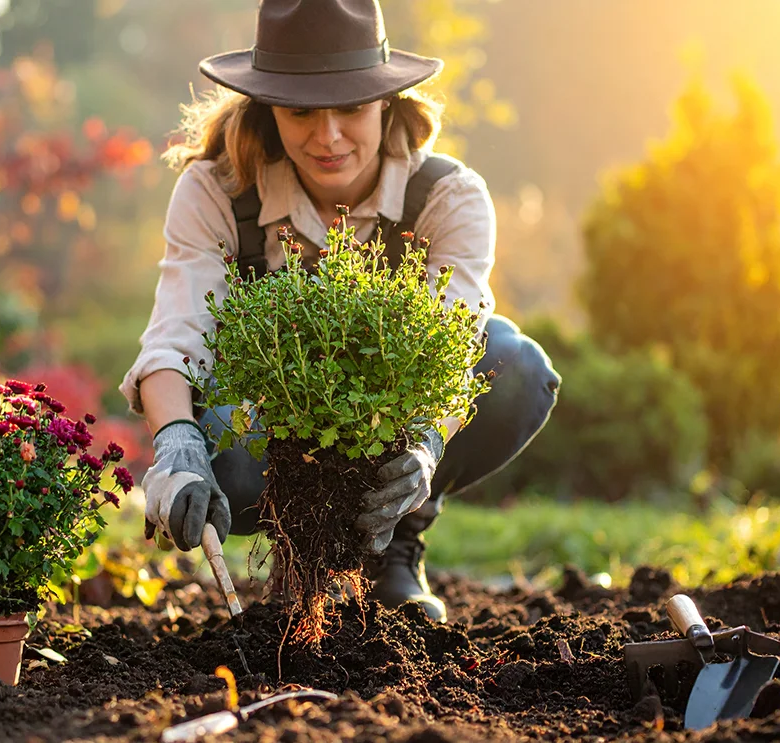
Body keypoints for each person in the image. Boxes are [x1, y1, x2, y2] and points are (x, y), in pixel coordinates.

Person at [120, 0, 561, 623]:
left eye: (351, 108)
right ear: (269, 108)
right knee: (235, 465)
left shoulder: (447, 196)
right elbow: (175, 335)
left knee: (512, 365)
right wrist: (177, 445)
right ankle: (302, 564)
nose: (327, 137)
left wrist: (428, 446)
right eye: (300, 111)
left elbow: (456, 346)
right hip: (264, 423)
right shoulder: (217, 190)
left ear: (387, 101)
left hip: (397, 422)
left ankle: (395, 547)